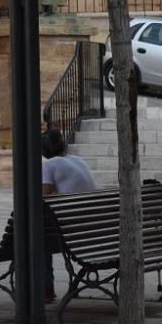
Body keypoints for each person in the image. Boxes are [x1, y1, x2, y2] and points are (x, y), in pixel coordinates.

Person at [42, 129, 98, 302]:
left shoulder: (49, 165)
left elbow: (42, 198)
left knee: (40, 239)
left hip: (72, 234)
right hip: (95, 230)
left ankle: (46, 290)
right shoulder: (79, 160)